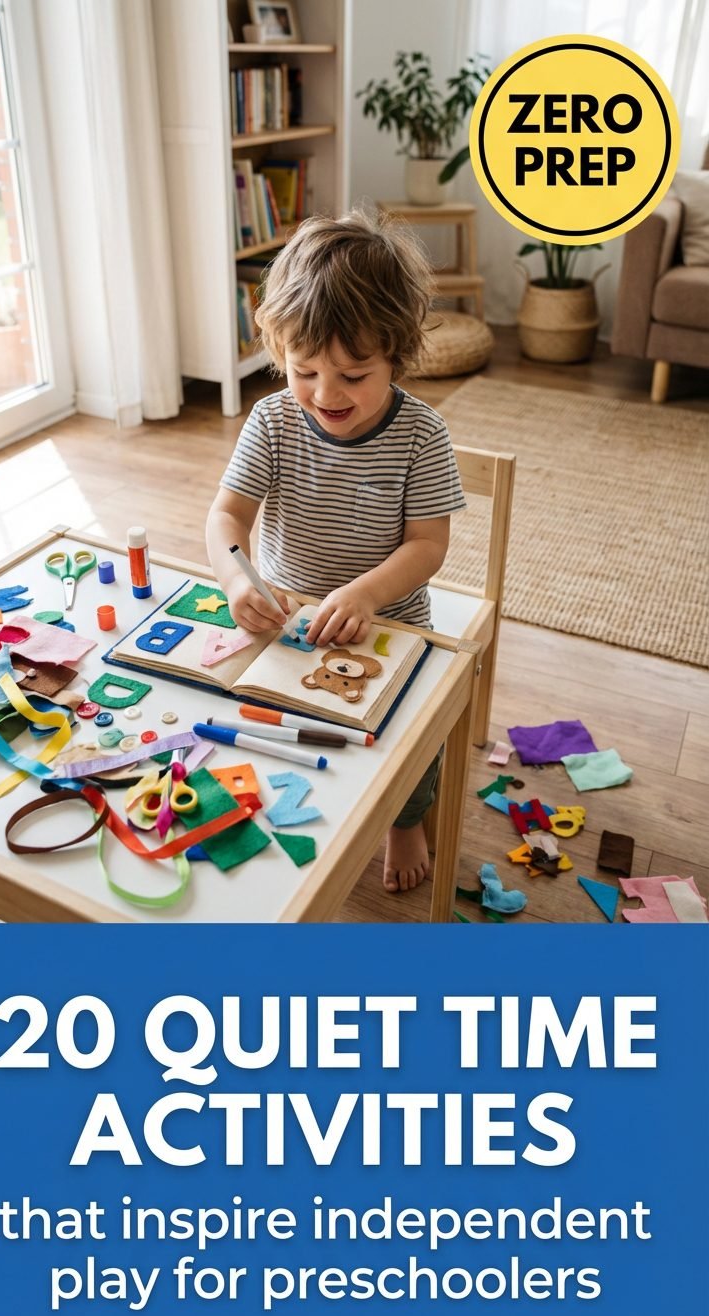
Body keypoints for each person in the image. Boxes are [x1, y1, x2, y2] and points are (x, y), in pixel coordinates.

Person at [206, 208, 466, 894]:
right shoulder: (271, 420)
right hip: (288, 616)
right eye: (304, 370)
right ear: (280, 353)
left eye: (354, 375)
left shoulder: (421, 435)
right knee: (264, 717)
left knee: (409, 727)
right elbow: (227, 516)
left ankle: (406, 818)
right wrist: (239, 581)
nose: (326, 394)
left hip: (391, 618)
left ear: (397, 353)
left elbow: (428, 545)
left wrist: (366, 594)